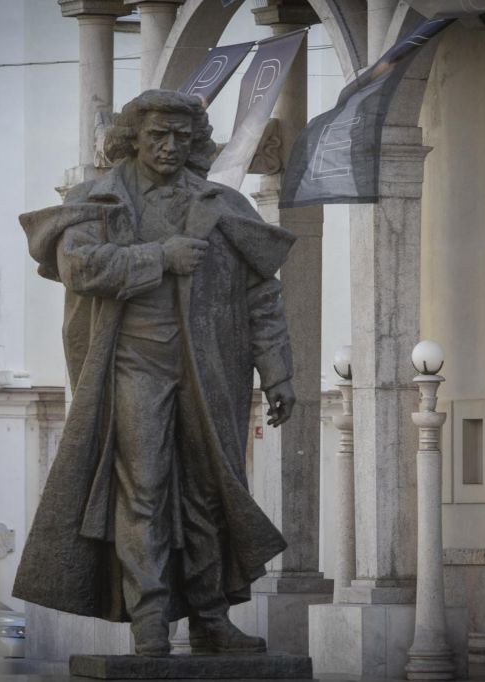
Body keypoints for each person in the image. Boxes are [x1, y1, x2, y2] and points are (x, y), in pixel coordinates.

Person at [15, 89, 297, 657]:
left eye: (182, 137)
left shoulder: (223, 204)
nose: (170, 146)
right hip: (132, 361)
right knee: (143, 489)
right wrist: (160, 257)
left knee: (210, 489)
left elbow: (261, 295)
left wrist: (278, 372)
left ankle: (211, 617)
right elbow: (79, 267)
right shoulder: (97, 199)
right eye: (158, 135)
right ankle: (150, 620)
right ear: (133, 138)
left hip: (211, 365)